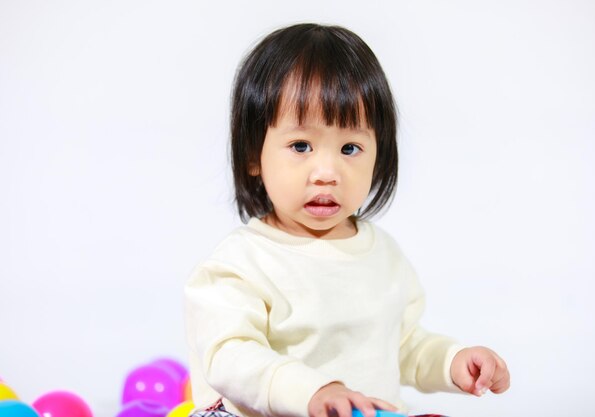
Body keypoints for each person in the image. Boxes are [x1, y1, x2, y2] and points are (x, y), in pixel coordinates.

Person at [184, 23, 510, 417]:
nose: (327, 171)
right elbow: (230, 358)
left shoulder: (384, 256)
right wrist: (312, 391)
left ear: (379, 155)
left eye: (350, 148)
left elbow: (404, 346)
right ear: (254, 154)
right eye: (300, 145)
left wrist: (454, 361)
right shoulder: (240, 263)